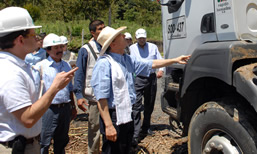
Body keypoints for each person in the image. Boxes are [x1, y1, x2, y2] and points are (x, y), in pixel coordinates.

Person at [91, 26, 190, 154]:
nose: (124, 37)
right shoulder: (104, 64)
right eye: (120, 36)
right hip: (114, 116)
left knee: (125, 147)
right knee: (113, 150)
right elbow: (101, 98)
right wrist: (109, 126)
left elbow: (150, 64)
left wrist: (174, 60)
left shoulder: (126, 59)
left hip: (126, 112)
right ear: (113, 43)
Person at [0, 7, 77, 154]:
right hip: (16, 148)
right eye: (33, 35)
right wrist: (55, 87)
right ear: (20, 40)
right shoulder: (10, 72)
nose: (37, 39)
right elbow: (28, 118)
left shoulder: (21, 66)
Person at [34, 33, 77, 154]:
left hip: (64, 108)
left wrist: (73, 107)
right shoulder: (41, 67)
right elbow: (36, 91)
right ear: (48, 49)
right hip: (48, 109)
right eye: (56, 48)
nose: (59, 50)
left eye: (60, 47)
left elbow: (69, 89)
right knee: (44, 142)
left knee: (62, 140)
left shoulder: (66, 65)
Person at [73, 20, 105, 154]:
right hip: (94, 97)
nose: (103, 31)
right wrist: (79, 96)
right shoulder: (85, 50)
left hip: (108, 96)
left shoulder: (107, 46)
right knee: (95, 129)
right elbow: (79, 74)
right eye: (99, 29)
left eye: (104, 28)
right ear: (92, 32)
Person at [129, 28, 164, 144]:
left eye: (143, 38)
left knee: (149, 103)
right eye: (139, 38)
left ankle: (146, 126)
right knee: (136, 105)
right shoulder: (132, 49)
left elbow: (160, 59)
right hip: (138, 78)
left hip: (151, 77)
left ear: (146, 37)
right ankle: (135, 132)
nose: (142, 40)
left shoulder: (153, 47)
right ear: (136, 38)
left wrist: (161, 70)